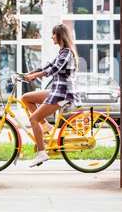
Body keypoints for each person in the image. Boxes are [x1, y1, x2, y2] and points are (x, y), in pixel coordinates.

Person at [22, 23, 82, 167]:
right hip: (57, 90)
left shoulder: (67, 52)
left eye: (53, 34)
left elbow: (54, 69)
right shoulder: (62, 52)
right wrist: (28, 74)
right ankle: (46, 126)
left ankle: (41, 153)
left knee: (33, 119)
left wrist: (34, 76)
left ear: (60, 35)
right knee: (26, 98)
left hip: (63, 93)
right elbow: (48, 65)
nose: (51, 36)